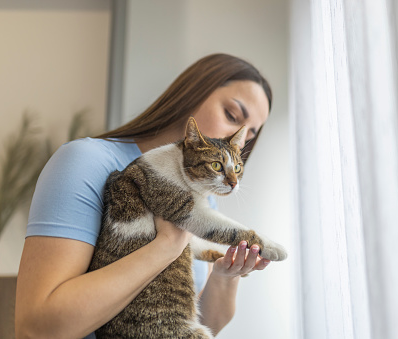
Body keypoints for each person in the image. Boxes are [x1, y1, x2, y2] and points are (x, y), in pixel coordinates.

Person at [15, 53, 273, 338]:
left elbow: (186, 322)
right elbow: (36, 329)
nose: (237, 137)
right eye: (233, 116)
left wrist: (225, 276)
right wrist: (165, 246)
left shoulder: (202, 196)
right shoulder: (84, 162)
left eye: (248, 136)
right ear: (193, 92)